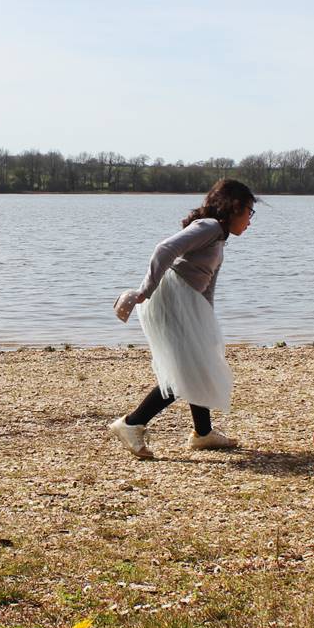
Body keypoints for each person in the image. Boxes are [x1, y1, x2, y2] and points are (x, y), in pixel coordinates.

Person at [108, 179, 256, 459]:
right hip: (171, 301)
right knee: (185, 370)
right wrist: (144, 291)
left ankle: (203, 434)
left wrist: (206, 321)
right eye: (249, 211)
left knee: (196, 362)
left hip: (187, 304)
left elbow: (207, 284)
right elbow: (164, 249)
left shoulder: (219, 237)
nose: (250, 220)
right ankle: (131, 423)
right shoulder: (210, 226)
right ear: (234, 207)